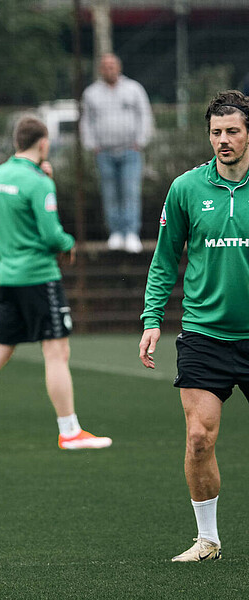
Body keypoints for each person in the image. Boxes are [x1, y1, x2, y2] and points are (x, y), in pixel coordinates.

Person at [0, 116, 112, 452]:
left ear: (15, 141)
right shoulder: (38, 182)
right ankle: (70, 431)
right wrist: (68, 244)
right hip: (38, 277)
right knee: (56, 352)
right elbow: (52, 234)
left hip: (9, 277)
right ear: (43, 143)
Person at [139, 90, 249, 562]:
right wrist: (151, 319)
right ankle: (208, 540)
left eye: (232, 131)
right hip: (204, 333)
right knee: (199, 438)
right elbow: (165, 260)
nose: (223, 140)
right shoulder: (186, 188)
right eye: (216, 132)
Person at [81, 52, 154, 254]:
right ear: (100, 70)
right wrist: (92, 144)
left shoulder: (134, 89)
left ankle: (131, 233)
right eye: (105, 66)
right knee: (110, 193)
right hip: (104, 152)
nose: (109, 69)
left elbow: (145, 115)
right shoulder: (91, 93)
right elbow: (86, 120)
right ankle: (115, 232)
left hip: (130, 151)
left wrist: (140, 141)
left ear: (119, 67)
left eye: (112, 65)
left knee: (130, 191)